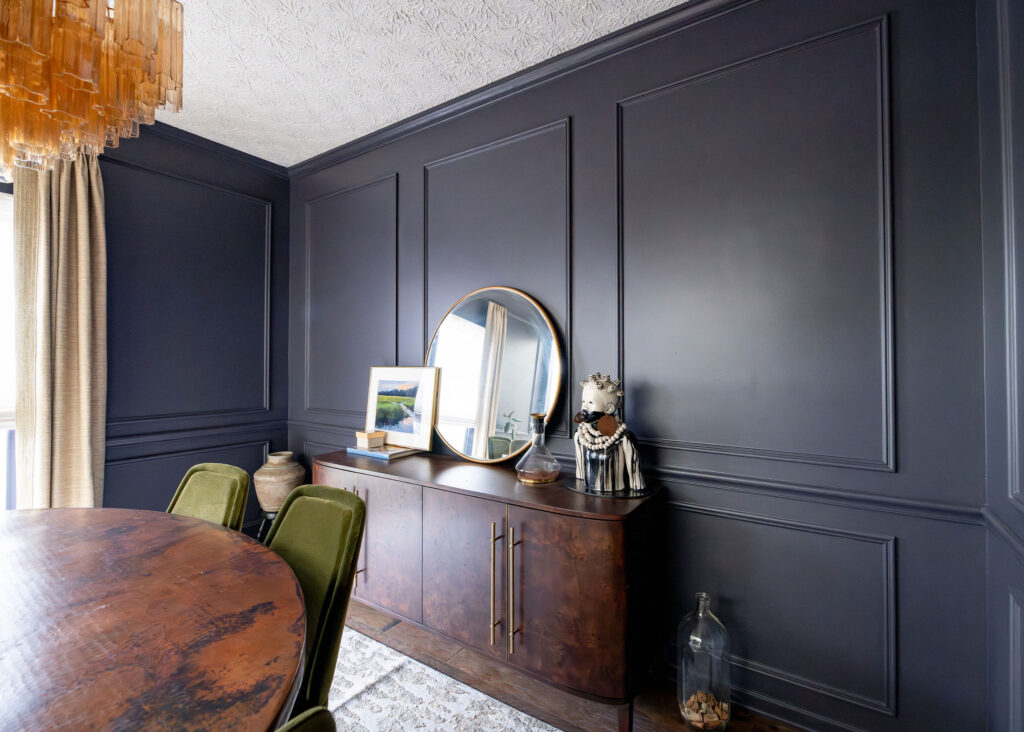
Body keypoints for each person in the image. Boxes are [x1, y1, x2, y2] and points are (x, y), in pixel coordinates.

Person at [573, 372, 645, 494]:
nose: (584, 408)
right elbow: (580, 478)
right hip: (588, 498)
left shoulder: (624, 439)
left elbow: (636, 483)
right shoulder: (580, 435)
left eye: (590, 403)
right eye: (583, 401)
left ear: (609, 409)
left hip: (616, 501)